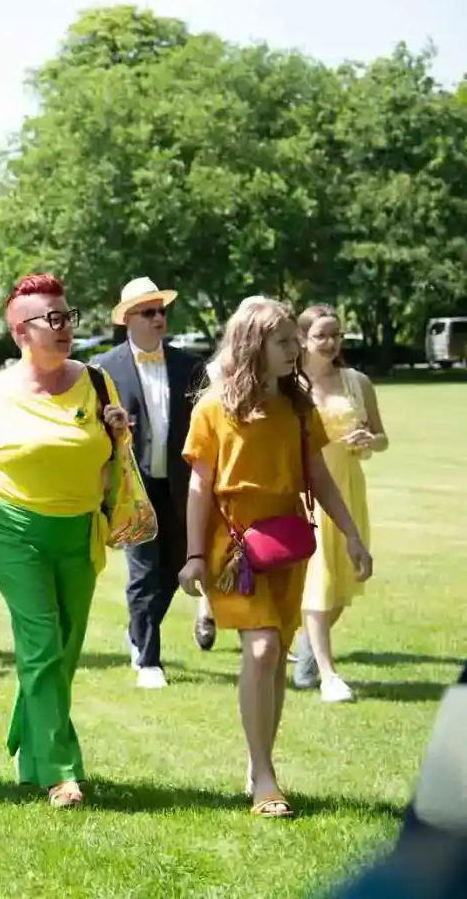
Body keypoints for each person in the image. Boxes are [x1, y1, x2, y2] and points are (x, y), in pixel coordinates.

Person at [177, 298, 371, 818]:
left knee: (276, 656)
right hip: (232, 545)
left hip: (286, 539)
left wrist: (351, 534)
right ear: (253, 345)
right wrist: (196, 555)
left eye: (295, 340)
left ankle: (259, 761)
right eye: (285, 341)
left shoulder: (298, 405)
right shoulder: (212, 409)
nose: (297, 349)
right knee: (262, 650)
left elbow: (321, 477)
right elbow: (200, 488)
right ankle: (265, 778)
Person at [0, 273, 128, 809]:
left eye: (66, 315)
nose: (64, 326)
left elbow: (112, 458)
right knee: (42, 645)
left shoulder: (97, 383)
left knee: (64, 652)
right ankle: (61, 772)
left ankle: (30, 743)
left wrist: (120, 432)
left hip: (79, 530)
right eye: (51, 318)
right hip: (11, 529)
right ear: (20, 332)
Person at [91, 277, 205, 689]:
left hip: (179, 486)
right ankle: (149, 661)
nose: (159, 319)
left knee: (176, 567)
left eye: (161, 311)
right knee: (142, 572)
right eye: (149, 312)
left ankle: (139, 631)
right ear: (128, 320)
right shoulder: (104, 368)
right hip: (131, 486)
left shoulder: (190, 366)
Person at [292, 305, 388, 703]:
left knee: (345, 585)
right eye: (321, 336)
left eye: (336, 335)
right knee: (319, 581)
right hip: (308, 496)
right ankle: (329, 676)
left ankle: (306, 651)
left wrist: (370, 441)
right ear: (302, 339)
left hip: (350, 489)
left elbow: (382, 437)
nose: (331, 343)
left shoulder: (357, 382)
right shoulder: (291, 385)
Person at [195, 293, 274, 650]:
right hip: (224, 479)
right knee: (225, 555)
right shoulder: (220, 371)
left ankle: (263, 633)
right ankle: (207, 608)